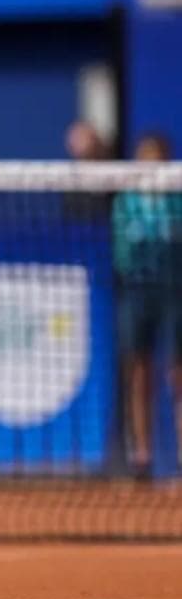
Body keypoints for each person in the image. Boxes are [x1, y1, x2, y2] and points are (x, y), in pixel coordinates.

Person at [113, 133, 182, 478]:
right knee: (138, 372)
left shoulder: (178, 201)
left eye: (156, 159)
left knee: (177, 372)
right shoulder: (126, 202)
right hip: (138, 294)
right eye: (144, 158)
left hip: (175, 293)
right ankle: (142, 456)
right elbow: (121, 255)